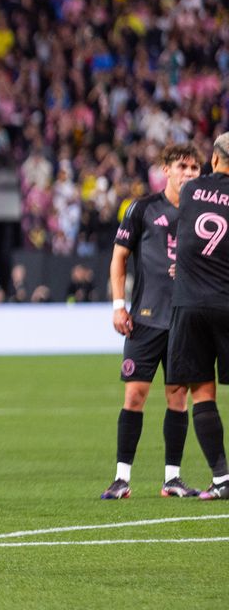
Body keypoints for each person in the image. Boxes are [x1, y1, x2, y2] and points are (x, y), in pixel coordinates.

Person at [101, 143, 201, 500]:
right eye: (183, 167)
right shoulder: (142, 208)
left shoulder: (204, 213)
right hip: (144, 318)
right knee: (134, 395)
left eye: (194, 168)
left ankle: (172, 479)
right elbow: (119, 259)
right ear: (166, 170)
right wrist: (117, 305)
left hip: (185, 318)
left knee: (178, 397)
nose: (189, 173)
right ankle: (121, 478)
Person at [168, 132, 229, 499]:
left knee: (202, 391)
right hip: (226, 301)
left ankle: (222, 478)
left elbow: (185, 234)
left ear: (215, 158)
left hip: (190, 304)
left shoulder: (191, 190)